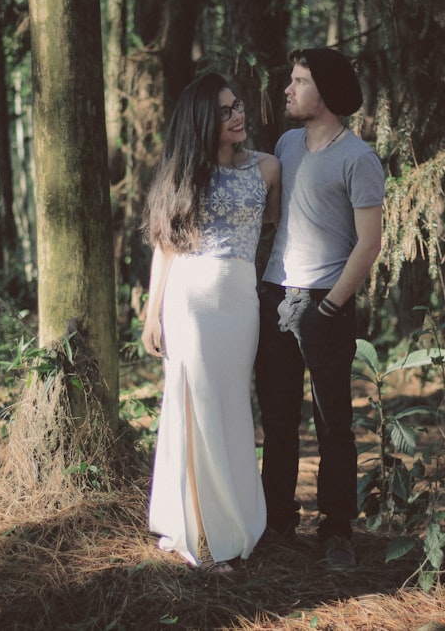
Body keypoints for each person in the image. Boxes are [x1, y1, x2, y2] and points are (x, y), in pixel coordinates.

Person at [142, 72, 280, 573]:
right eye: (224, 111)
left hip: (241, 299)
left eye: (237, 105)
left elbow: (271, 226)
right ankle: (201, 535)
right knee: (195, 406)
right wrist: (152, 313)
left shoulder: (268, 169)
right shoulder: (185, 173)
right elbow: (166, 246)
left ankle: (238, 517)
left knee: (231, 405)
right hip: (190, 299)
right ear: (204, 119)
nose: (237, 115)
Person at [255, 48, 385, 571]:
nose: (288, 89)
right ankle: (277, 522)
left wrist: (330, 306)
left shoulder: (358, 157)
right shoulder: (286, 144)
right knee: (279, 421)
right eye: (292, 79)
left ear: (325, 92)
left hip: (324, 303)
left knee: (333, 423)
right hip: (274, 295)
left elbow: (370, 243)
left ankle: (335, 530)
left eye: (300, 81)